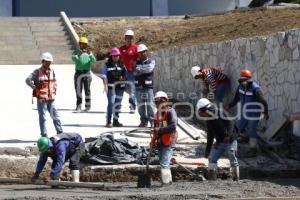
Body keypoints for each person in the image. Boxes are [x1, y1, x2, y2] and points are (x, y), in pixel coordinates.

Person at [227, 69, 269, 157]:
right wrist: (230, 106)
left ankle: (253, 150)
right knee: (238, 126)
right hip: (245, 112)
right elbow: (236, 98)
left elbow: (263, 102)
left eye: (245, 81)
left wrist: (266, 112)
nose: (244, 83)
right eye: (242, 81)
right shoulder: (240, 87)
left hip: (254, 113)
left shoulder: (256, 89)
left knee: (252, 130)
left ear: (249, 80)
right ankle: (229, 145)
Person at [196, 98, 239, 181]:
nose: (201, 115)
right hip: (220, 142)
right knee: (212, 159)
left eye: (201, 112)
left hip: (230, 139)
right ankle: (212, 180)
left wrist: (228, 136)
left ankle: (236, 179)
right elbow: (210, 136)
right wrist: (207, 152)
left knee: (232, 154)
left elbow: (230, 123)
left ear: (206, 109)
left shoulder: (220, 112)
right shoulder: (209, 121)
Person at [26, 52, 63, 137]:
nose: (49, 63)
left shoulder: (52, 71)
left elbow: (54, 82)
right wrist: (35, 88)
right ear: (42, 61)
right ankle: (44, 135)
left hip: (51, 98)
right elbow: (27, 80)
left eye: (50, 62)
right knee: (43, 118)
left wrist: (54, 90)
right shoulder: (37, 72)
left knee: (56, 117)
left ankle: (60, 133)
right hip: (42, 99)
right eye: (47, 61)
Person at [152, 91, 178, 185]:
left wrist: (159, 130)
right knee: (163, 162)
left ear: (166, 102)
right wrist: (154, 140)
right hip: (161, 141)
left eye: (161, 102)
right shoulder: (157, 114)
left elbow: (173, 127)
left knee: (164, 163)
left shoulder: (171, 112)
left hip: (169, 141)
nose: (159, 104)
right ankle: (169, 181)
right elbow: (156, 130)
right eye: (157, 102)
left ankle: (166, 184)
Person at [100, 48, 126, 128]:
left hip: (120, 87)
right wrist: (105, 85)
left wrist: (123, 77)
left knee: (118, 104)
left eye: (117, 55)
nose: (116, 57)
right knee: (111, 103)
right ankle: (108, 121)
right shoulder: (107, 65)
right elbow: (104, 76)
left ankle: (115, 121)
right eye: (114, 56)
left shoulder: (122, 65)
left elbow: (125, 74)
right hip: (111, 87)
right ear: (111, 56)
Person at [72, 37, 96, 112]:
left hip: (87, 73)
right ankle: (78, 105)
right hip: (78, 73)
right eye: (83, 44)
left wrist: (90, 54)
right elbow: (74, 59)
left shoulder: (88, 53)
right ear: (80, 44)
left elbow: (94, 61)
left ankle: (87, 106)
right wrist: (79, 54)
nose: (85, 46)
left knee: (87, 90)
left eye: (86, 44)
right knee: (78, 90)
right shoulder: (76, 52)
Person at [134, 44, 155, 127]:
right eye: (140, 52)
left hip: (148, 87)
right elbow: (135, 71)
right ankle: (143, 121)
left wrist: (141, 70)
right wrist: (144, 69)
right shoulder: (136, 62)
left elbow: (149, 69)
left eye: (143, 52)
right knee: (140, 106)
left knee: (150, 105)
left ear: (146, 51)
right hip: (138, 86)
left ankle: (152, 121)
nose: (142, 54)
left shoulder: (151, 61)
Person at [120, 30, 138, 114]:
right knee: (120, 89)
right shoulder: (121, 48)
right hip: (122, 73)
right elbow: (118, 60)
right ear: (125, 38)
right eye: (128, 37)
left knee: (132, 90)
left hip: (132, 73)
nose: (129, 39)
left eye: (131, 38)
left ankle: (132, 106)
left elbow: (138, 59)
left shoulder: (135, 48)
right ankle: (118, 106)